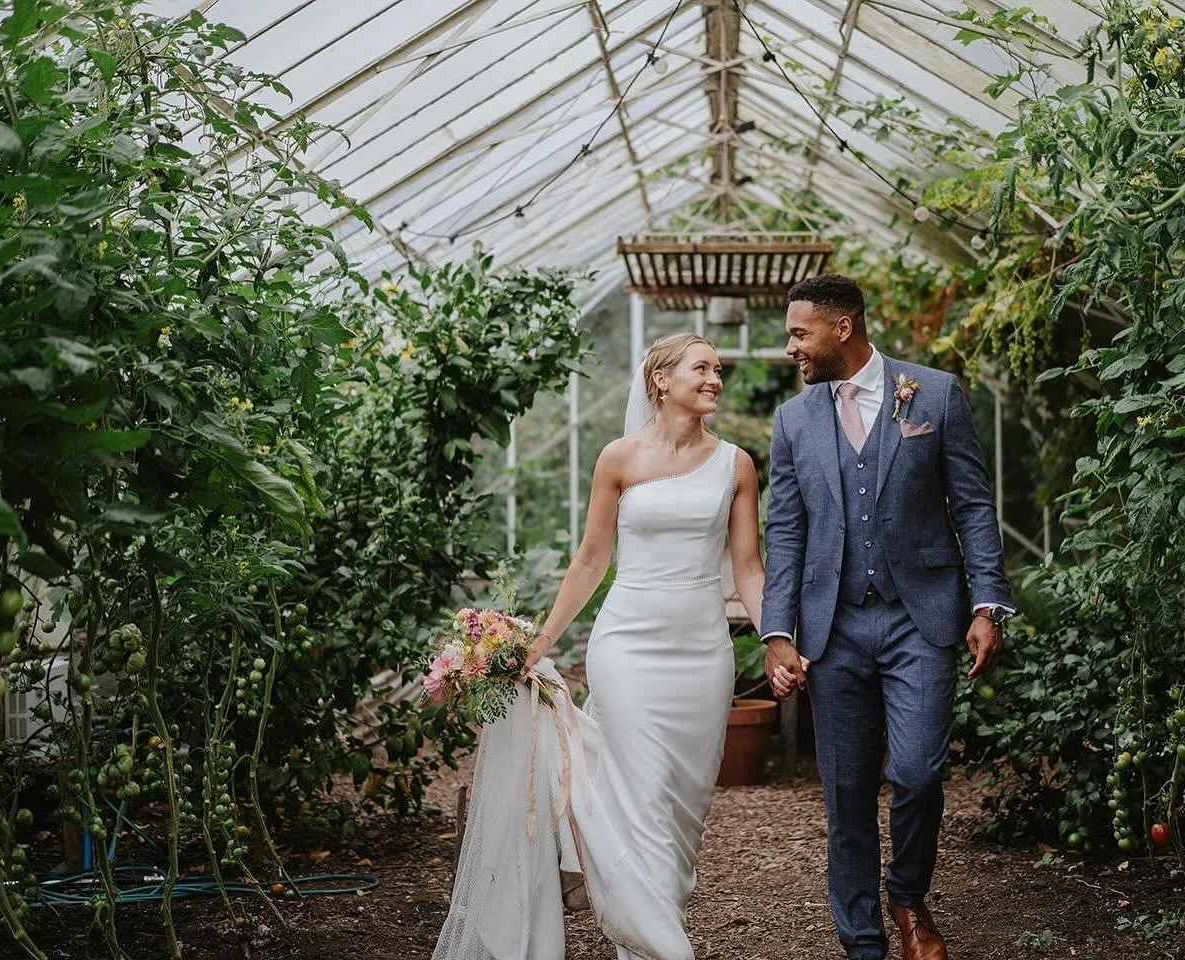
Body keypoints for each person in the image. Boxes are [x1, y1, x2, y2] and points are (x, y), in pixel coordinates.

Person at [432, 333, 773, 960]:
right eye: (702, 368)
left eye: (718, 370)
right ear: (660, 380)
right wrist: (540, 643)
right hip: (627, 650)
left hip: (703, 655)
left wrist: (777, 640)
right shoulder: (618, 459)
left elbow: (748, 568)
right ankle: (669, 950)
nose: (715, 380)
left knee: (681, 812)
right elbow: (591, 561)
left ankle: (640, 941)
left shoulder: (738, 465)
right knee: (639, 797)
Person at [760, 274, 1013, 960]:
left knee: (921, 771)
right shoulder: (793, 420)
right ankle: (862, 941)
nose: (792, 349)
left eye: (800, 334)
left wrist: (987, 602)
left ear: (843, 328)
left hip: (920, 618)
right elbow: (785, 530)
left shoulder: (933, 392)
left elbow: (971, 506)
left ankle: (906, 892)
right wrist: (777, 630)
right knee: (845, 790)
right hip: (832, 626)